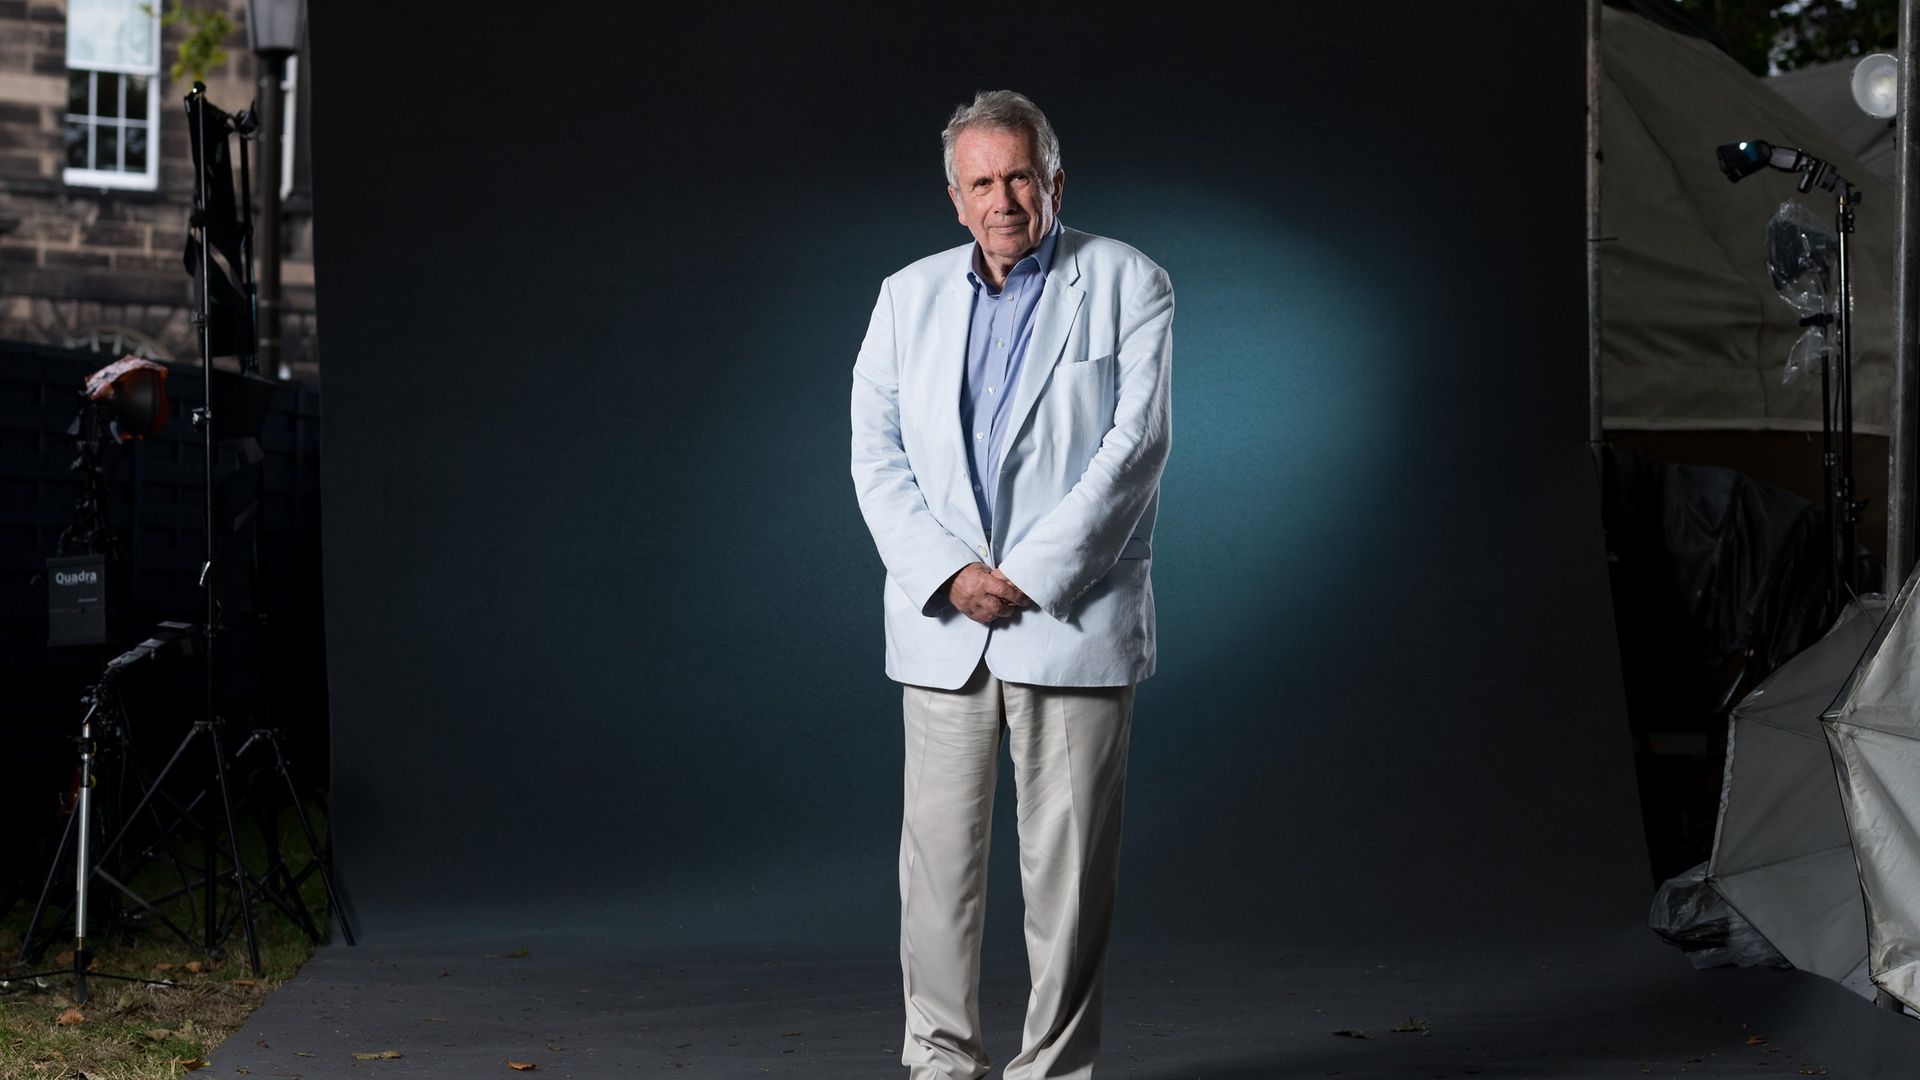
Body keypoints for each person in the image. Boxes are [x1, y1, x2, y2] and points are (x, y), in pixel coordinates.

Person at [849, 89, 1174, 1080]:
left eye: (1020, 176)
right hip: (946, 624)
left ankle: (1053, 1074)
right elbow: (877, 456)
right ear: (955, 198)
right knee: (936, 877)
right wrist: (953, 574)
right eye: (982, 182)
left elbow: (1134, 450)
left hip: (1070, 622)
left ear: (1055, 182)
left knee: (1068, 881)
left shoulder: (1130, 282)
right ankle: (940, 1065)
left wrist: (1024, 580)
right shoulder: (906, 297)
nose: (1004, 199)